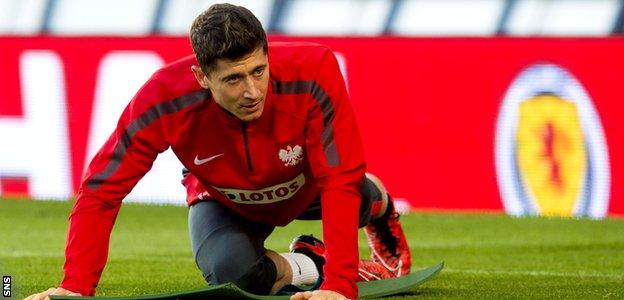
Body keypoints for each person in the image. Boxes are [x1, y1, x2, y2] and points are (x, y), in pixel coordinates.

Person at [26, 4, 410, 300]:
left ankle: (377, 201)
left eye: (259, 71)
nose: (252, 92)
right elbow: (102, 188)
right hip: (226, 198)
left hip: (307, 186)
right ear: (201, 77)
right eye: (233, 79)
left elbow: (337, 177)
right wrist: (75, 286)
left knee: (353, 190)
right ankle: (311, 261)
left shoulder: (314, 70)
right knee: (233, 275)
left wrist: (340, 286)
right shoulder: (163, 97)